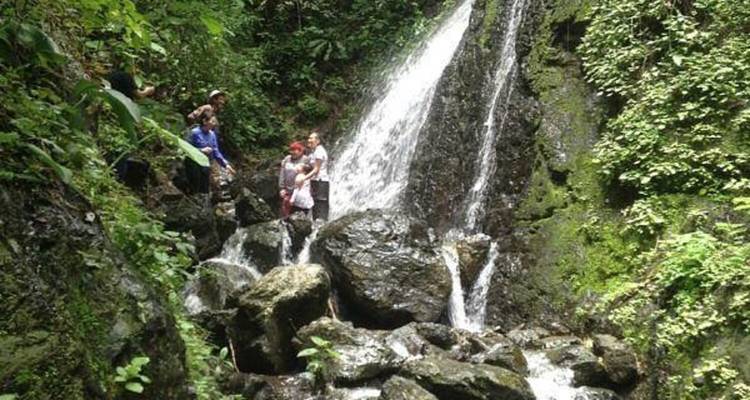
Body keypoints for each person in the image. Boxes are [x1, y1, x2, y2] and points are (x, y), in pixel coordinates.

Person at [187, 113, 235, 193]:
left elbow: (216, 151)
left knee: (205, 188)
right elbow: (187, 148)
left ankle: (205, 202)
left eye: (215, 122)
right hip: (193, 164)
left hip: (206, 164)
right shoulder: (194, 132)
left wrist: (226, 165)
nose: (214, 124)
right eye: (212, 121)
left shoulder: (212, 134)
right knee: (194, 187)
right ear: (205, 121)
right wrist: (201, 150)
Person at [279, 141, 310, 216]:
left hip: (299, 192)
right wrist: (281, 188)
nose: (292, 152)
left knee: (297, 214)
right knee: (285, 212)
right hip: (287, 190)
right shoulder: (287, 159)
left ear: (300, 151)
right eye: (291, 150)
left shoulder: (305, 159)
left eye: (294, 150)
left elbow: (310, 172)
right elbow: (282, 173)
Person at [304, 131, 329, 220]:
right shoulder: (313, 152)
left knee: (320, 205)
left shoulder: (319, 151)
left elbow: (316, 169)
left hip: (320, 181)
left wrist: (304, 178)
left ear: (317, 141)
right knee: (315, 204)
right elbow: (310, 166)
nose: (309, 140)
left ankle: (320, 225)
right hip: (315, 181)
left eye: (311, 138)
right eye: (309, 138)